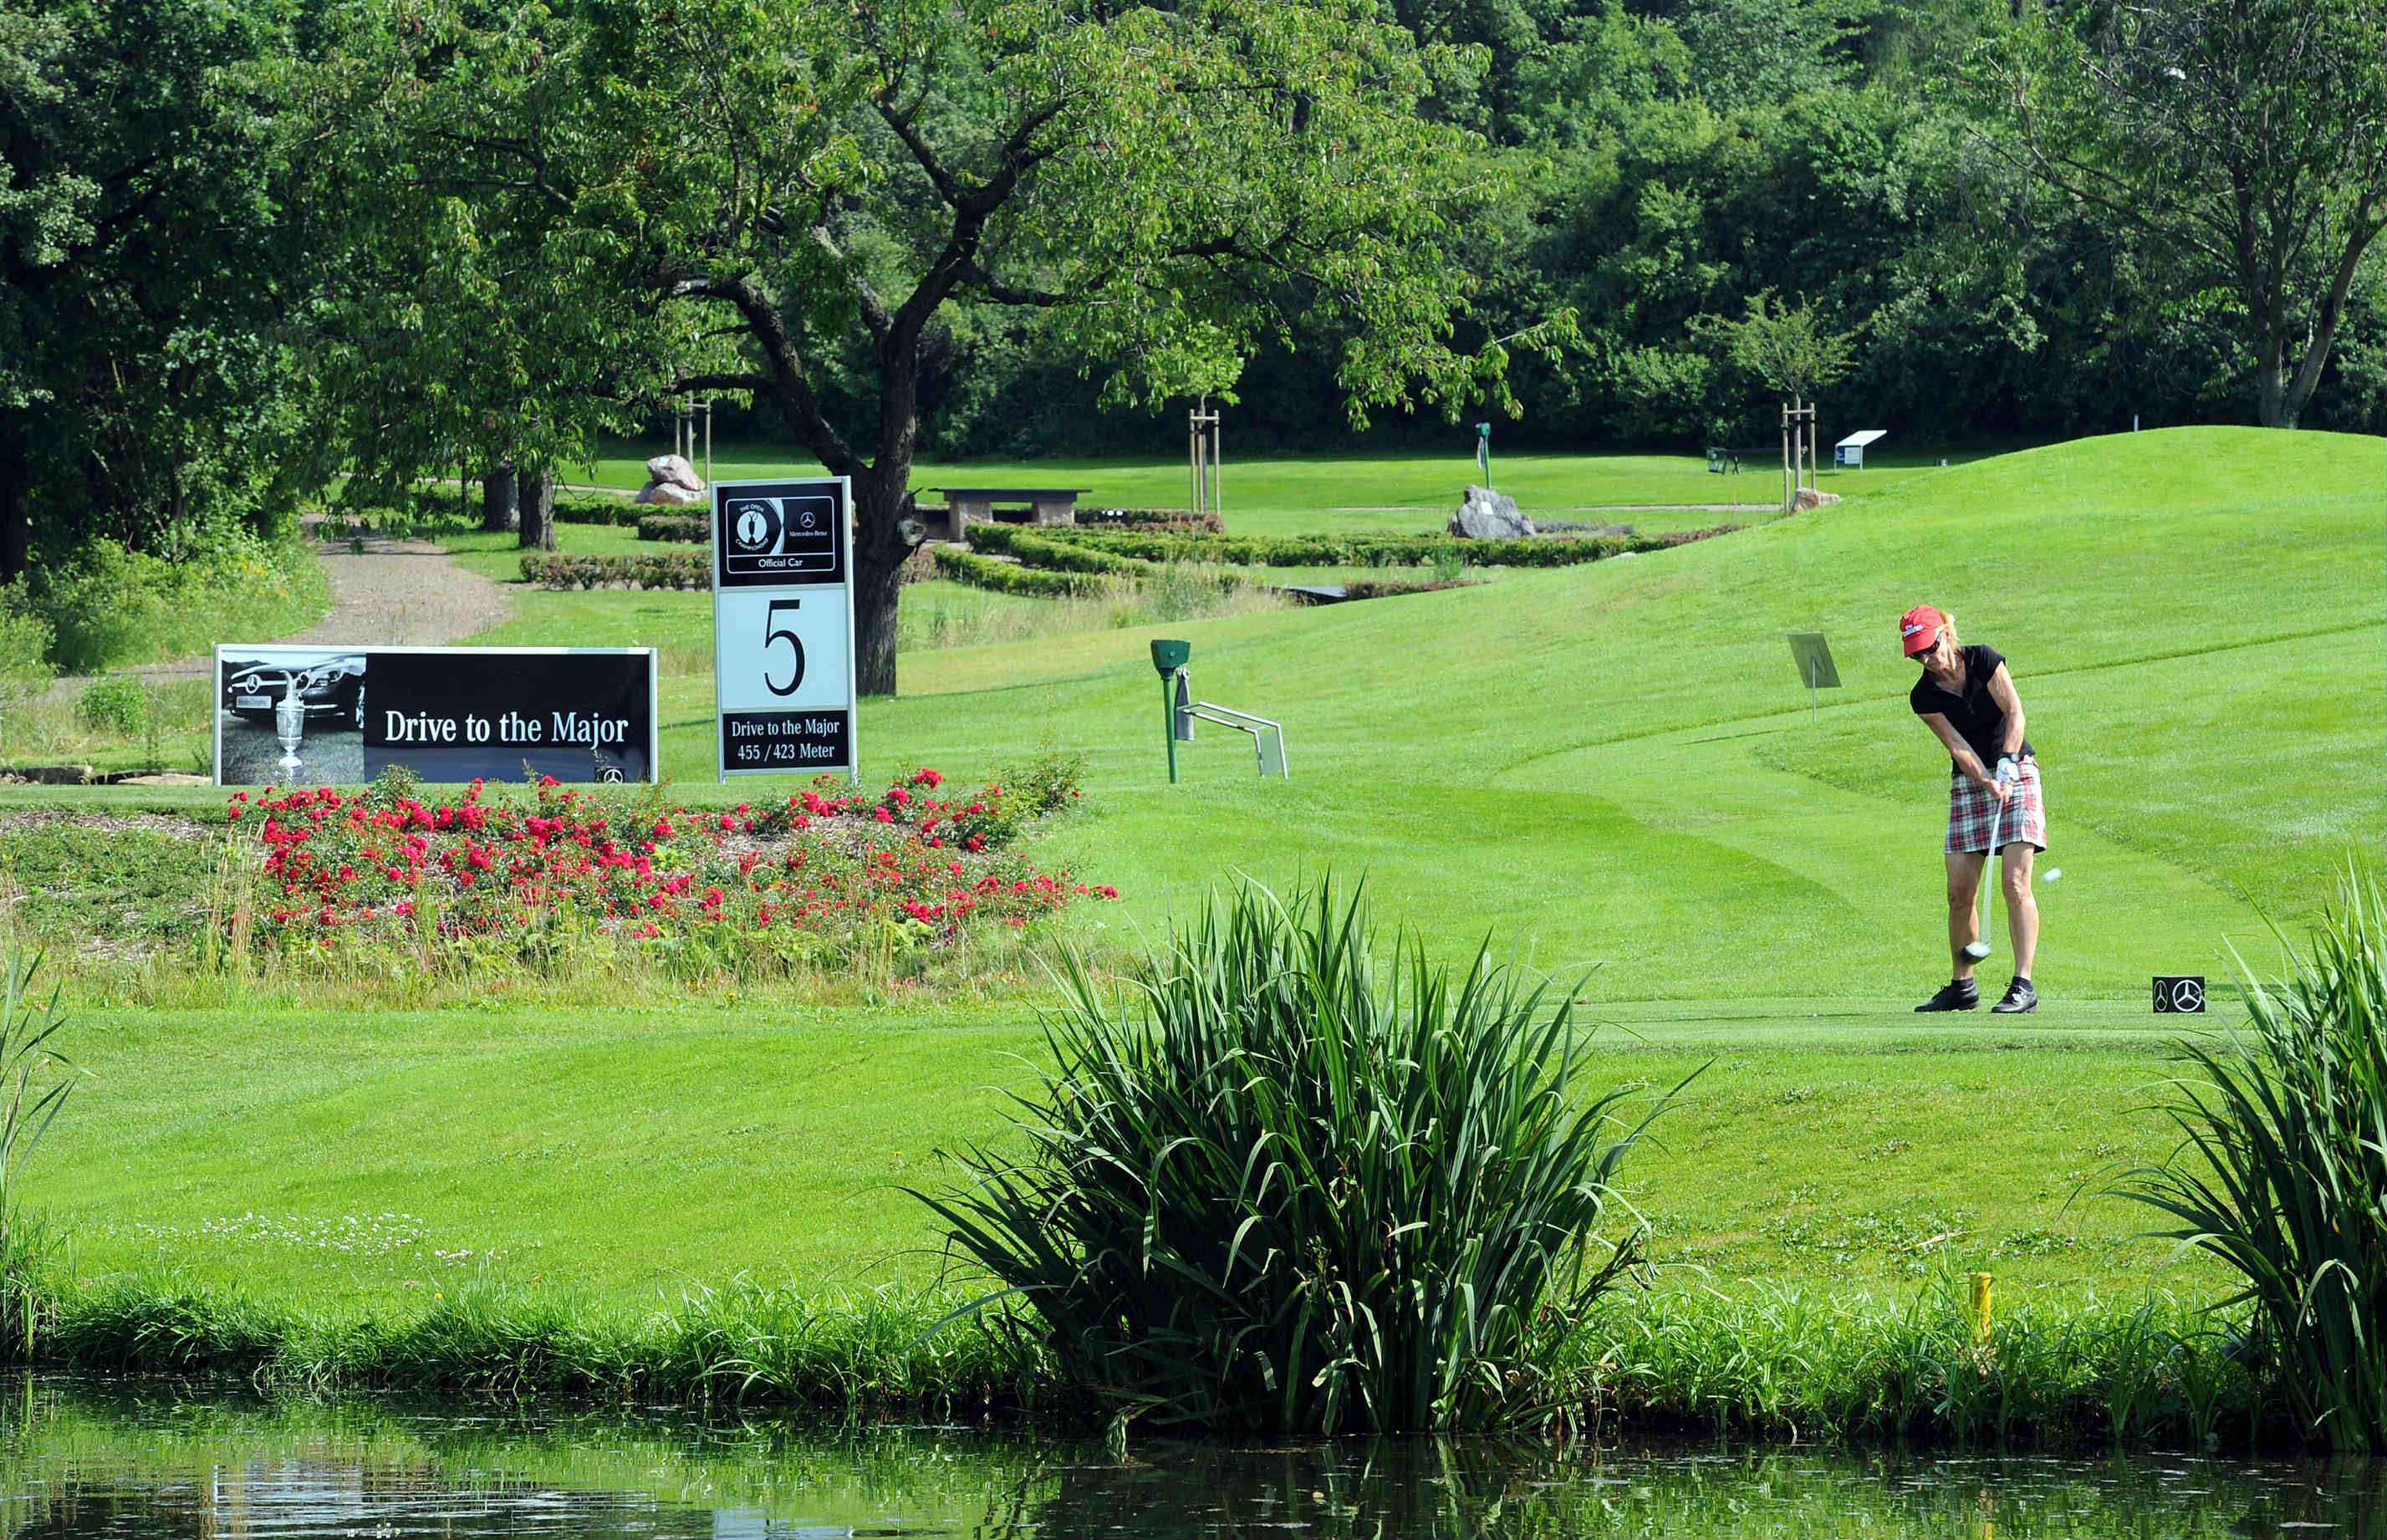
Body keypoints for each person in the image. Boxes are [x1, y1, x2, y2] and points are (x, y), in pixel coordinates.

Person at [1900, 604, 2043, 1012]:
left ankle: (2023, 985)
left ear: (1946, 634)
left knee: (2015, 883)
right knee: (1959, 893)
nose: (1926, 659)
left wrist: (2008, 761)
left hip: (2018, 772)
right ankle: (1962, 987)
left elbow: (2014, 711)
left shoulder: (1982, 659)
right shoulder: (1923, 695)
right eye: (1916, 654)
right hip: (1971, 781)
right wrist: (1984, 778)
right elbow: (1957, 745)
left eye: (1929, 648)